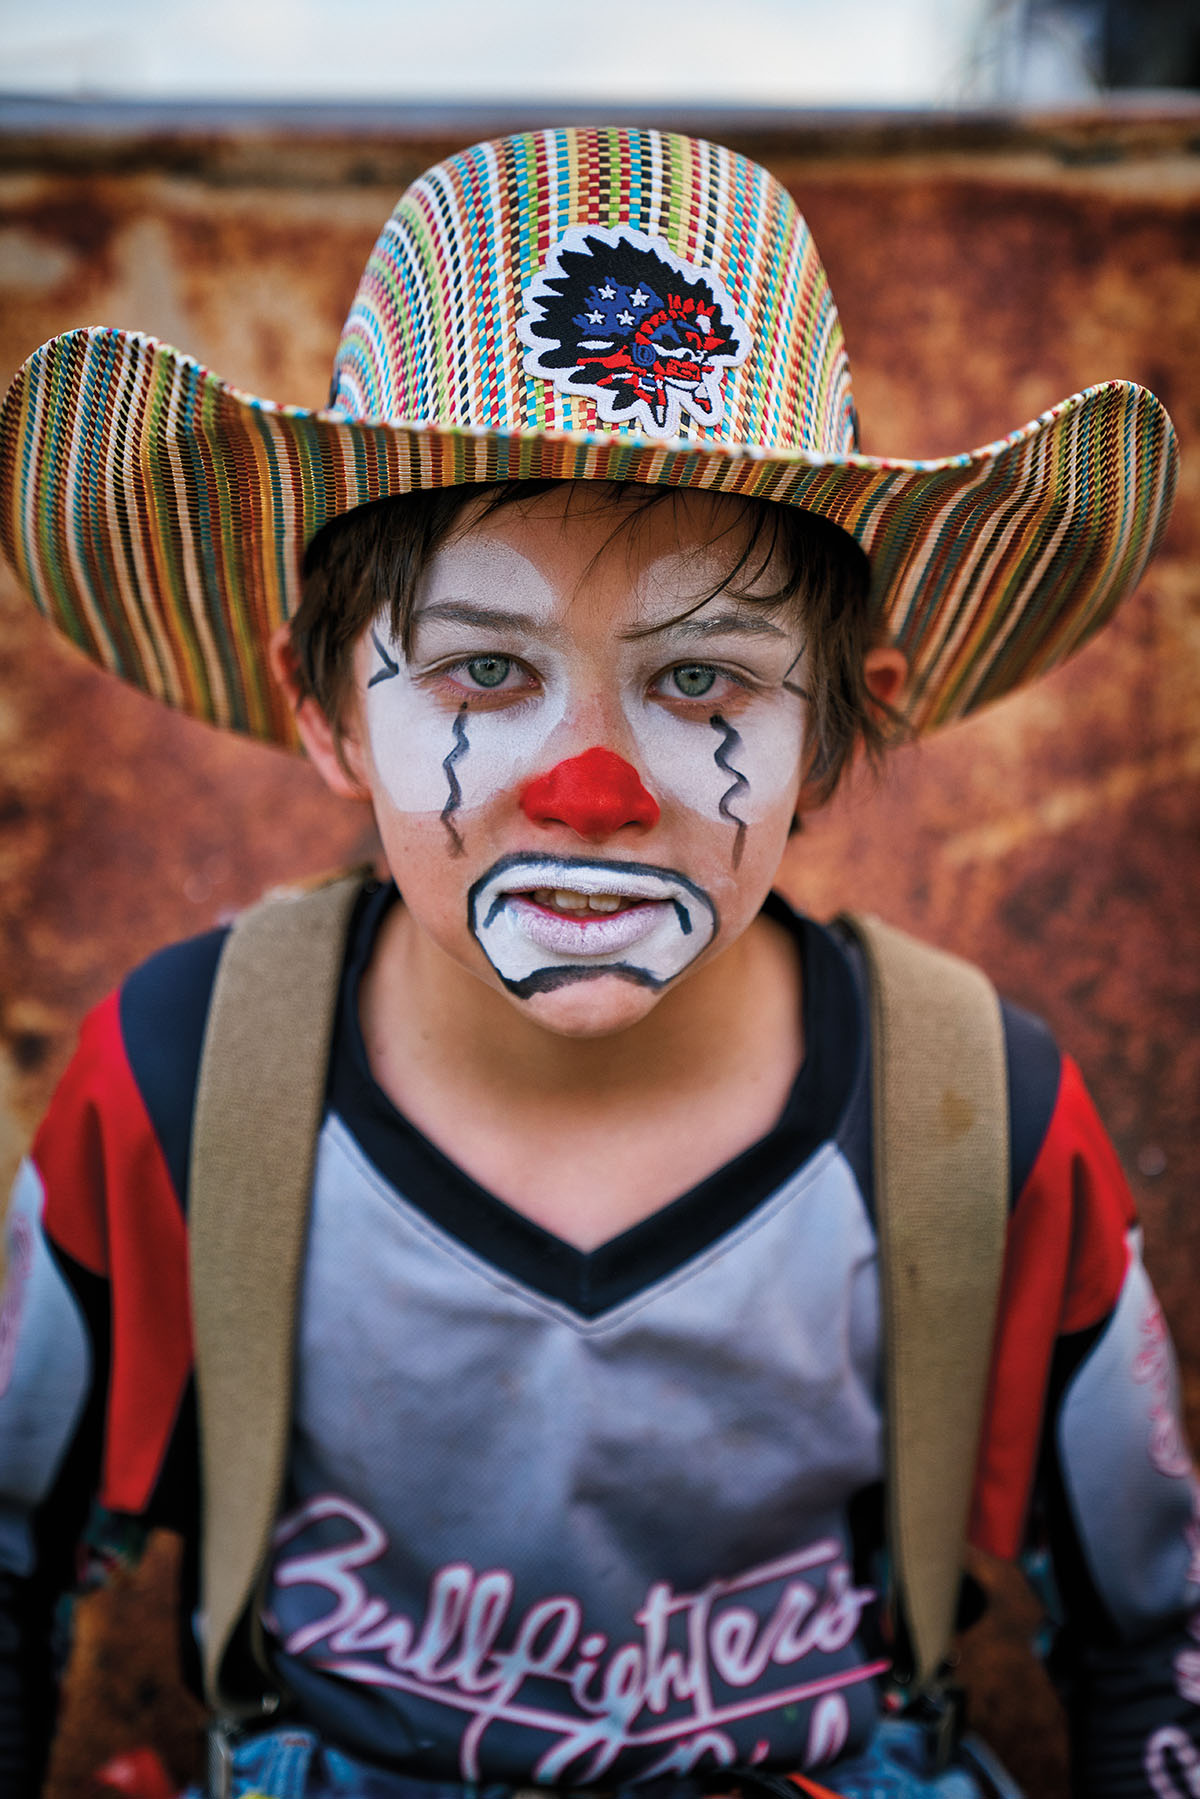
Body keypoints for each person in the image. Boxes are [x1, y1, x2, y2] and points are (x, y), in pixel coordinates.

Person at [0, 126, 1193, 1799]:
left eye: (705, 682)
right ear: (327, 709)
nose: (596, 784)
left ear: (845, 727)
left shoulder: (977, 1117)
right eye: (482, 671)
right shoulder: (182, 1082)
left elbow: (1155, 1650)